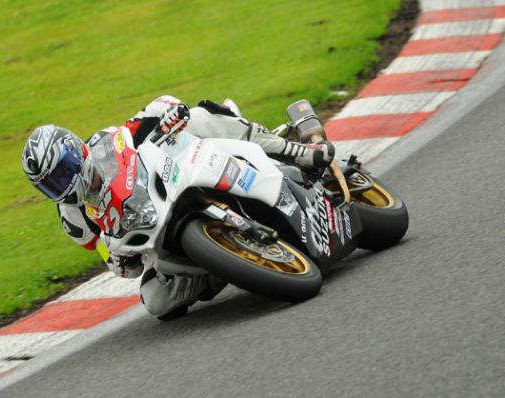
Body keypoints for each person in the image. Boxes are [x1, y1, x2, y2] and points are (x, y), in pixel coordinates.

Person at [21, 95, 334, 319]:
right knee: (155, 302)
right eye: (50, 184)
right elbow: (109, 257)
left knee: (200, 116)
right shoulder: (73, 220)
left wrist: (171, 112)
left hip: (179, 177)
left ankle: (297, 151)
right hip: (154, 234)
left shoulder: (107, 142)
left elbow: (152, 110)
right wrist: (119, 261)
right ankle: (225, 264)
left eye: (63, 173)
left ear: (75, 151)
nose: (61, 186)